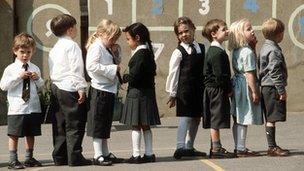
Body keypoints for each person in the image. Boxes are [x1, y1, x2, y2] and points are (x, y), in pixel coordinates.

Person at [48, 14, 90, 166]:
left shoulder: (55, 47)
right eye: (76, 27)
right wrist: (81, 88)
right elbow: (76, 68)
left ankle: (60, 156)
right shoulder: (72, 45)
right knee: (75, 123)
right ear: (70, 29)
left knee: (59, 124)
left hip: (56, 86)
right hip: (69, 87)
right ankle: (75, 156)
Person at [0, 33, 44, 169]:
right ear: (15, 51)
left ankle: (29, 157)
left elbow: (41, 86)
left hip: (32, 106)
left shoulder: (34, 68)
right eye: (22, 52)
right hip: (17, 107)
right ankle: (13, 159)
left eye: (28, 52)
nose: (25, 55)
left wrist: (37, 79)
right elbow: (3, 86)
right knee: (14, 134)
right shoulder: (11, 69)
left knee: (31, 133)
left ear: (33, 52)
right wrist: (18, 77)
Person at [166, 16, 206, 159]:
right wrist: (172, 93)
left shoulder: (202, 48)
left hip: (198, 89)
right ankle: (180, 146)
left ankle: (189, 146)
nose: (184, 35)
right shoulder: (179, 52)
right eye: (180, 33)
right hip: (184, 90)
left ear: (193, 29)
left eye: (186, 31)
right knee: (185, 118)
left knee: (196, 118)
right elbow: (173, 73)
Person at [120, 22, 161, 163]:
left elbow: (135, 76)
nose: (127, 42)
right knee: (146, 125)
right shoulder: (148, 52)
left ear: (137, 38)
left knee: (136, 125)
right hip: (148, 93)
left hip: (138, 93)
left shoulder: (139, 54)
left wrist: (124, 77)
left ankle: (136, 155)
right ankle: (149, 153)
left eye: (128, 39)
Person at [86, 19, 124, 166]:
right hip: (99, 89)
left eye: (115, 39)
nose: (113, 41)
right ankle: (97, 155)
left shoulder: (107, 47)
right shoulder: (96, 47)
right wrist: (112, 70)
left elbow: (114, 61)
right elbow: (92, 67)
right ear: (101, 34)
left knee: (105, 123)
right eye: (111, 38)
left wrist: (116, 53)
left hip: (108, 88)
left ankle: (105, 152)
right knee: (98, 123)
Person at [228, 18, 263, 157]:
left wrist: (253, 47)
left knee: (237, 118)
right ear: (240, 34)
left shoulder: (237, 50)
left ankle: (238, 146)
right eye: (248, 29)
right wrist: (255, 92)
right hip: (244, 86)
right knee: (244, 117)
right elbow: (250, 73)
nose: (252, 30)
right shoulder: (247, 52)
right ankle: (241, 149)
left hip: (237, 85)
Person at [201, 19, 236, 158]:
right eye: (224, 29)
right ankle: (216, 148)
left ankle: (214, 146)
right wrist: (228, 89)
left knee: (215, 118)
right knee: (215, 119)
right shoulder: (216, 52)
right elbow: (220, 75)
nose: (227, 31)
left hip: (213, 89)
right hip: (216, 89)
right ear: (214, 34)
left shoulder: (216, 49)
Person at [259, 18, 289, 156]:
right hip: (272, 87)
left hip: (267, 87)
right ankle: (272, 147)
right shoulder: (274, 51)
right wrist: (281, 90)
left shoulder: (265, 47)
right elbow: (274, 71)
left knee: (271, 118)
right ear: (279, 35)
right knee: (271, 118)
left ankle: (273, 146)